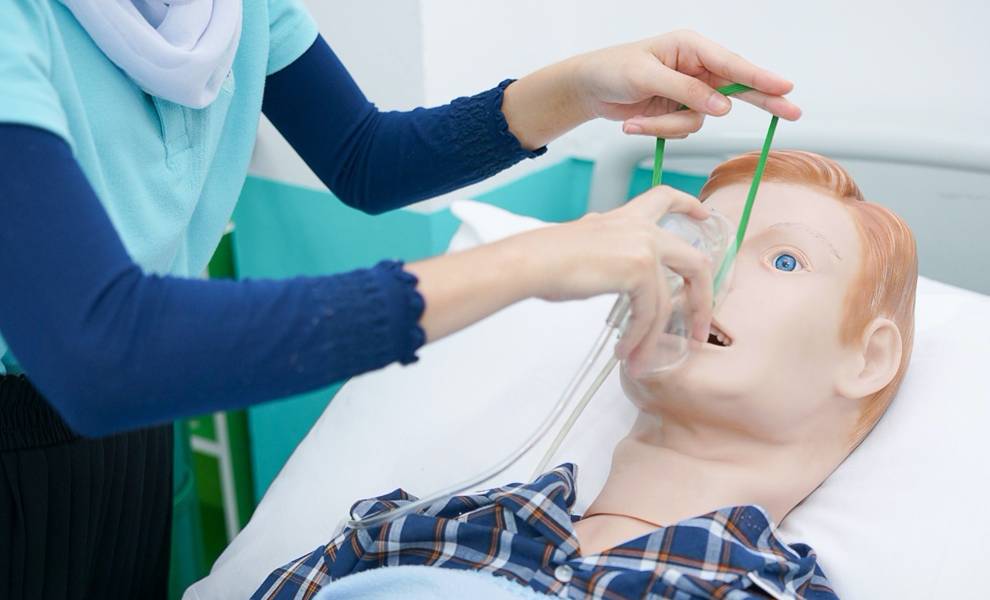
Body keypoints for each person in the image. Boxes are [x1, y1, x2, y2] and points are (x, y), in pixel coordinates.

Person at [0, 1, 800, 597]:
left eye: (792, 261)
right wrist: (534, 258)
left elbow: (364, 157)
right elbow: (100, 350)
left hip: (130, 434)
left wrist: (583, 86)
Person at [251, 151, 918, 600]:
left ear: (870, 360)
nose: (701, 273)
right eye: (698, 239)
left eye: (786, 261)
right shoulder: (418, 527)